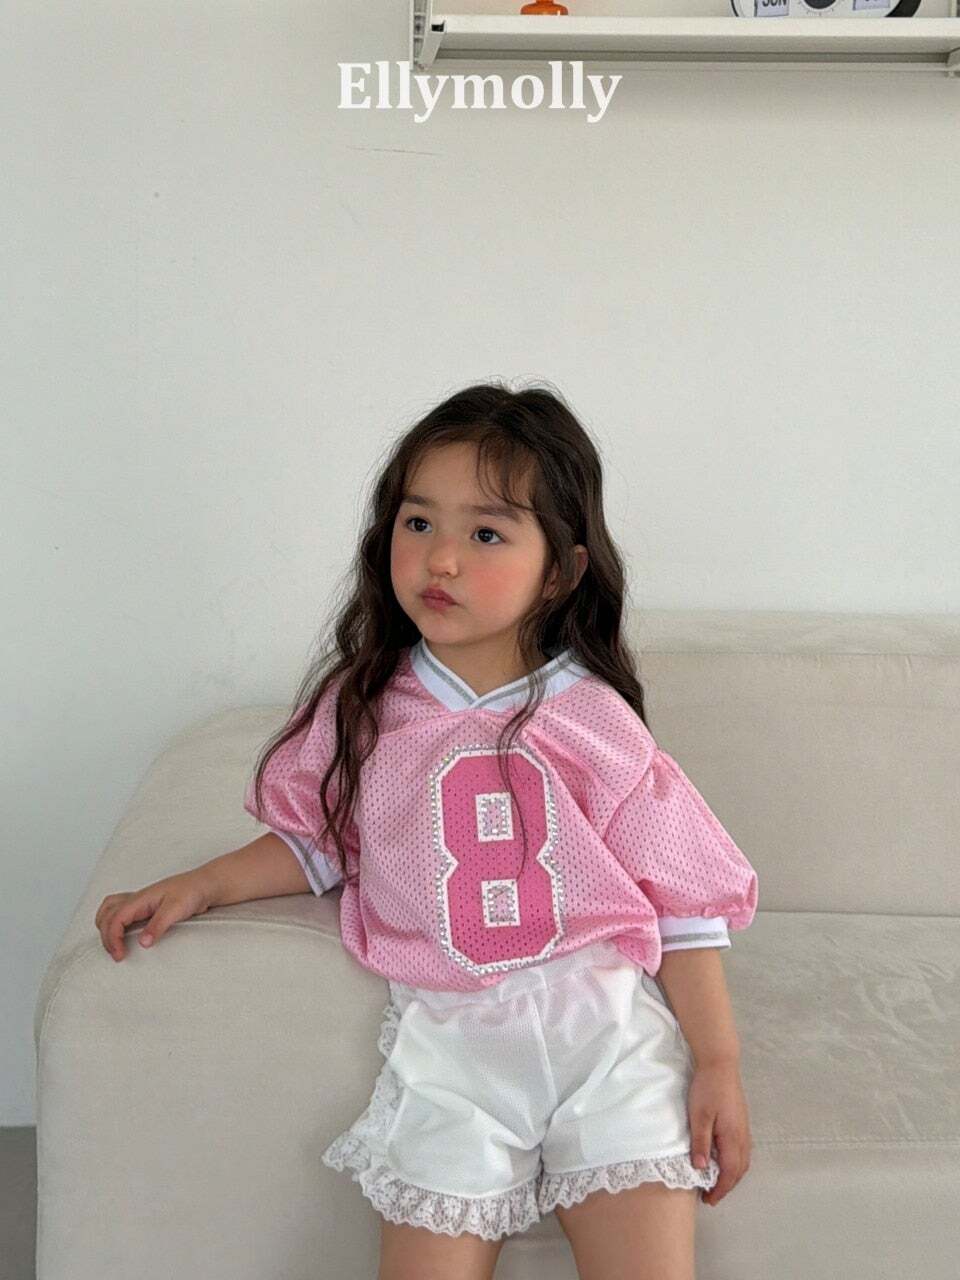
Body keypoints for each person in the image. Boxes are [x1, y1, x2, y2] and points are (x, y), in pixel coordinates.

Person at [95, 381, 759, 1280]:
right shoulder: (366, 708)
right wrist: (200, 884)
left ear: (560, 571)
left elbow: (682, 904)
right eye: (418, 523)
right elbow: (316, 840)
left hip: (606, 1032)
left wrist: (717, 1061)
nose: (440, 559)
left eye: (486, 534)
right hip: (451, 1041)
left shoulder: (594, 719)